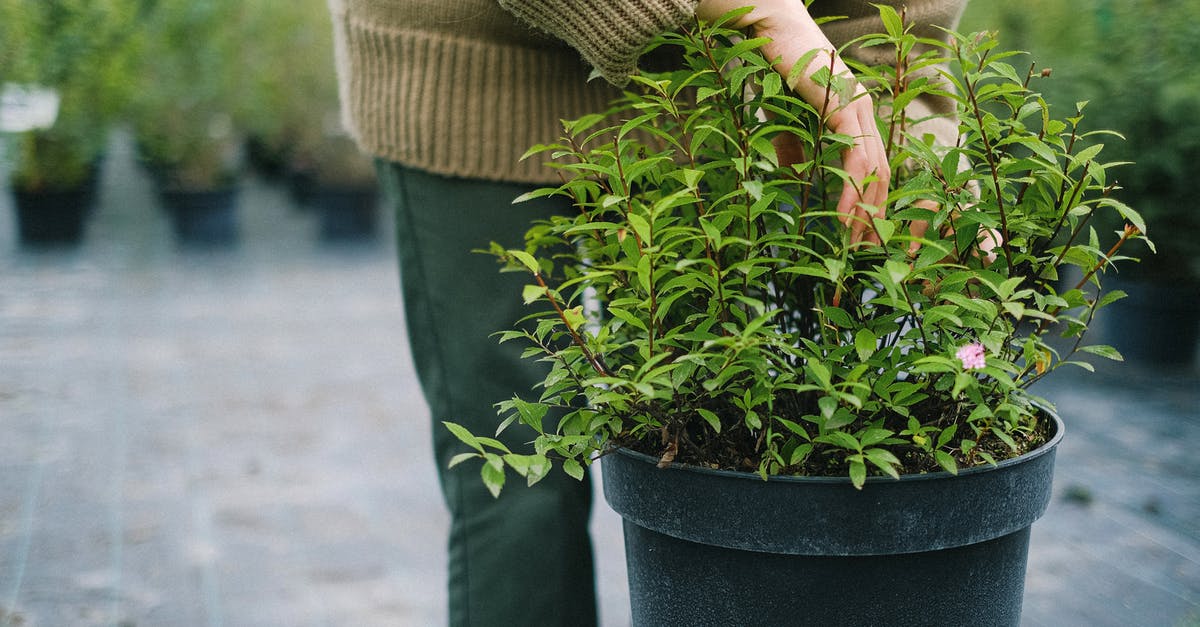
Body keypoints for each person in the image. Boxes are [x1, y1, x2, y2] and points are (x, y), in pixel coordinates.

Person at [326, 0, 966, 624]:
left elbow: (892, 24)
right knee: (520, 481)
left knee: (711, 454)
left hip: (694, 96)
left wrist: (916, 133)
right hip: (467, 64)